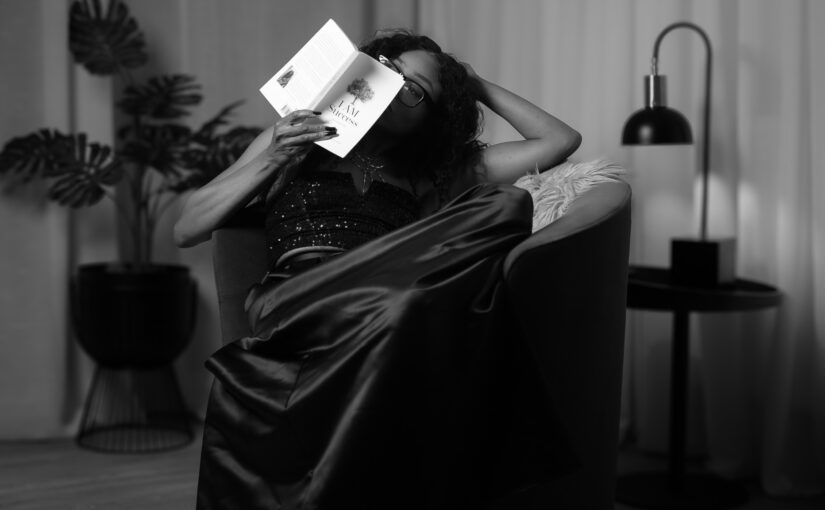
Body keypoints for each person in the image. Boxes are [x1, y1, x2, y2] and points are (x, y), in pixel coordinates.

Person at [175, 29, 581, 510]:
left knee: (505, 205)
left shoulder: (439, 171)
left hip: (384, 298)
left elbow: (560, 140)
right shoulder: (296, 137)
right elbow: (188, 229)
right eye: (388, 69)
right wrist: (275, 156)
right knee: (406, 302)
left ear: (433, 117)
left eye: (414, 89)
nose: (392, 87)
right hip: (295, 295)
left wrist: (470, 82)